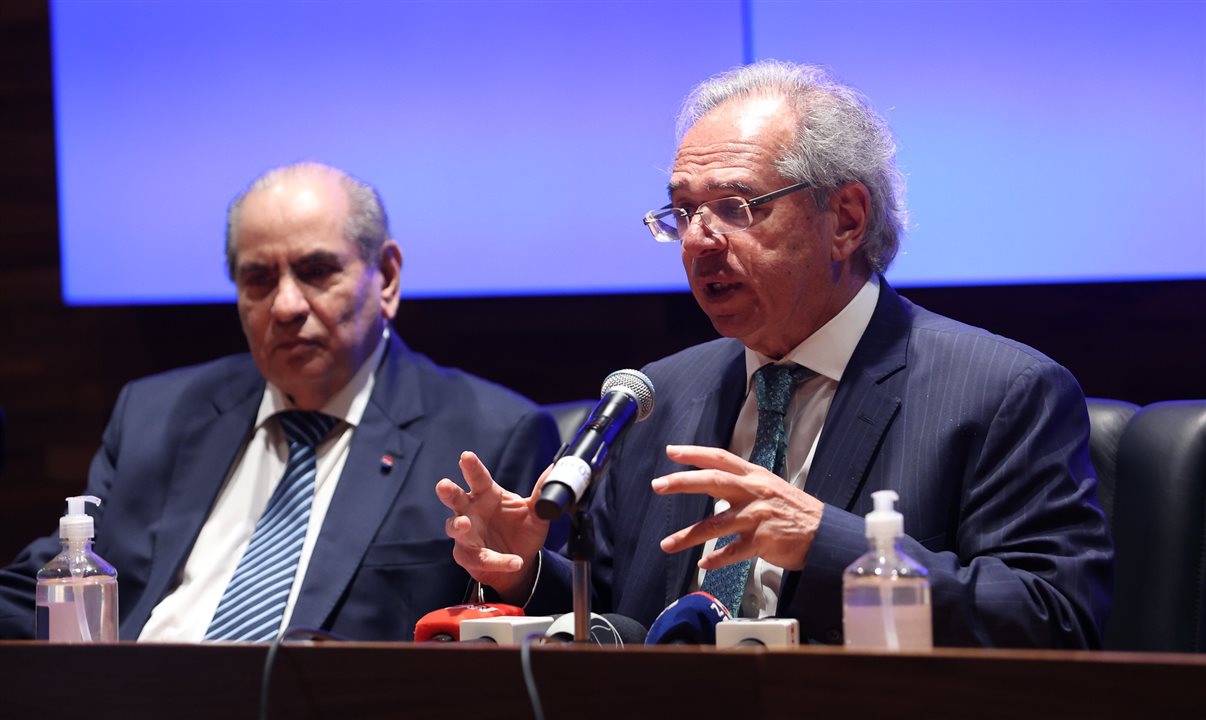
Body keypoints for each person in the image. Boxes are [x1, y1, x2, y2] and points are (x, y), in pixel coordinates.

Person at [437, 61, 1113, 647]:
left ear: (845, 219)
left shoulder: (999, 392)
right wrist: (528, 573)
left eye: (734, 206)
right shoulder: (657, 396)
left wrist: (828, 545)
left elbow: (1054, 619)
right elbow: (627, 620)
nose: (698, 242)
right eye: (681, 212)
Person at [0, 162, 560, 641]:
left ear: (386, 277)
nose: (286, 305)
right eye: (259, 279)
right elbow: (52, 583)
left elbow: (531, 636)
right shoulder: (154, 414)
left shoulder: (490, 435)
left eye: (317, 272)